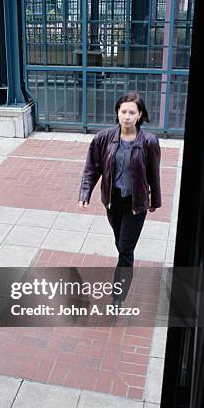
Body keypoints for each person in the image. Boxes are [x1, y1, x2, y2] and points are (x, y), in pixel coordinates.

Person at [78, 92, 162, 305]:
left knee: (125, 249)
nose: (127, 116)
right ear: (117, 113)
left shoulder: (149, 142)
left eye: (131, 112)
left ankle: (118, 295)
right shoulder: (103, 138)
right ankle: (124, 268)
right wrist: (85, 193)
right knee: (120, 243)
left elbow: (154, 173)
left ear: (139, 115)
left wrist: (155, 200)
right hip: (113, 202)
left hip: (136, 204)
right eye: (123, 111)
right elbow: (92, 168)